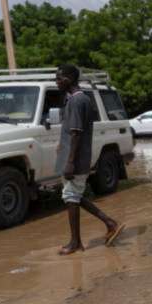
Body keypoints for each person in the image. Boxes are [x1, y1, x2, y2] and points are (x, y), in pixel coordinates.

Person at [56, 64, 124, 255]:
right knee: (73, 196)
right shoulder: (76, 99)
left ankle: (75, 242)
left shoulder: (77, 101)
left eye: (59, 78)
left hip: (75, 160)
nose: (57, 81)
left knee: (71, 196)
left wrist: (69, 161)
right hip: (73, 157)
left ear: (70, 78)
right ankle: (109, 223)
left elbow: (76, 133)